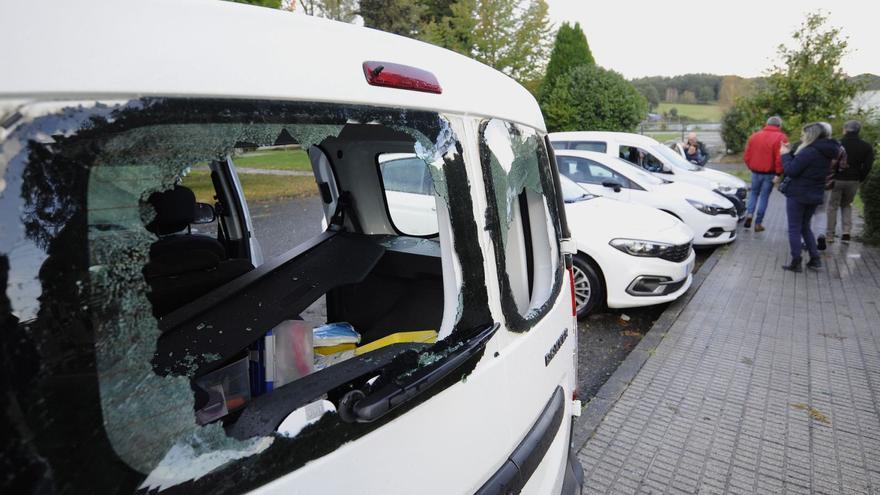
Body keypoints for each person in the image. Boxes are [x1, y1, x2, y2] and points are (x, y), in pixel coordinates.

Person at [780, 122, 838, 272]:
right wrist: (790, 153)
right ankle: (815, 259)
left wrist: (785, 155)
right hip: (815, 193)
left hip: (798, 194)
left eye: (804, 134)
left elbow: (791, 170)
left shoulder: (809, 151)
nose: (802, 137)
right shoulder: (826, 151)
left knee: (794, 228)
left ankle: (796, 261)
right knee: (805, 227)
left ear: (811, 135)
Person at [827, 120, 875, 242]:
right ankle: (846, 232)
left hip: (837, 179)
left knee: (833, 206)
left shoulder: (837, 143)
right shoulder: (866, 146)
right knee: (847, 205)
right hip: (854, 180)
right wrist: (860, 178)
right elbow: (868, 165)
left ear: (845, 130)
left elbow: (830, 162)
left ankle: (830, 234)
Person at [743, 116, 789, 231]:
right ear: (779, 125)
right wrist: (778, 173)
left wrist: (751, 166)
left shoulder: (754, 136)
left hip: (755, 172)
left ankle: (749, 214)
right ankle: (758, 223)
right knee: (764, 197)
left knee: (753, 193)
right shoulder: (781, 137)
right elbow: (780, 158)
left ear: (767, 123)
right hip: (770, 173)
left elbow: (747, 155)